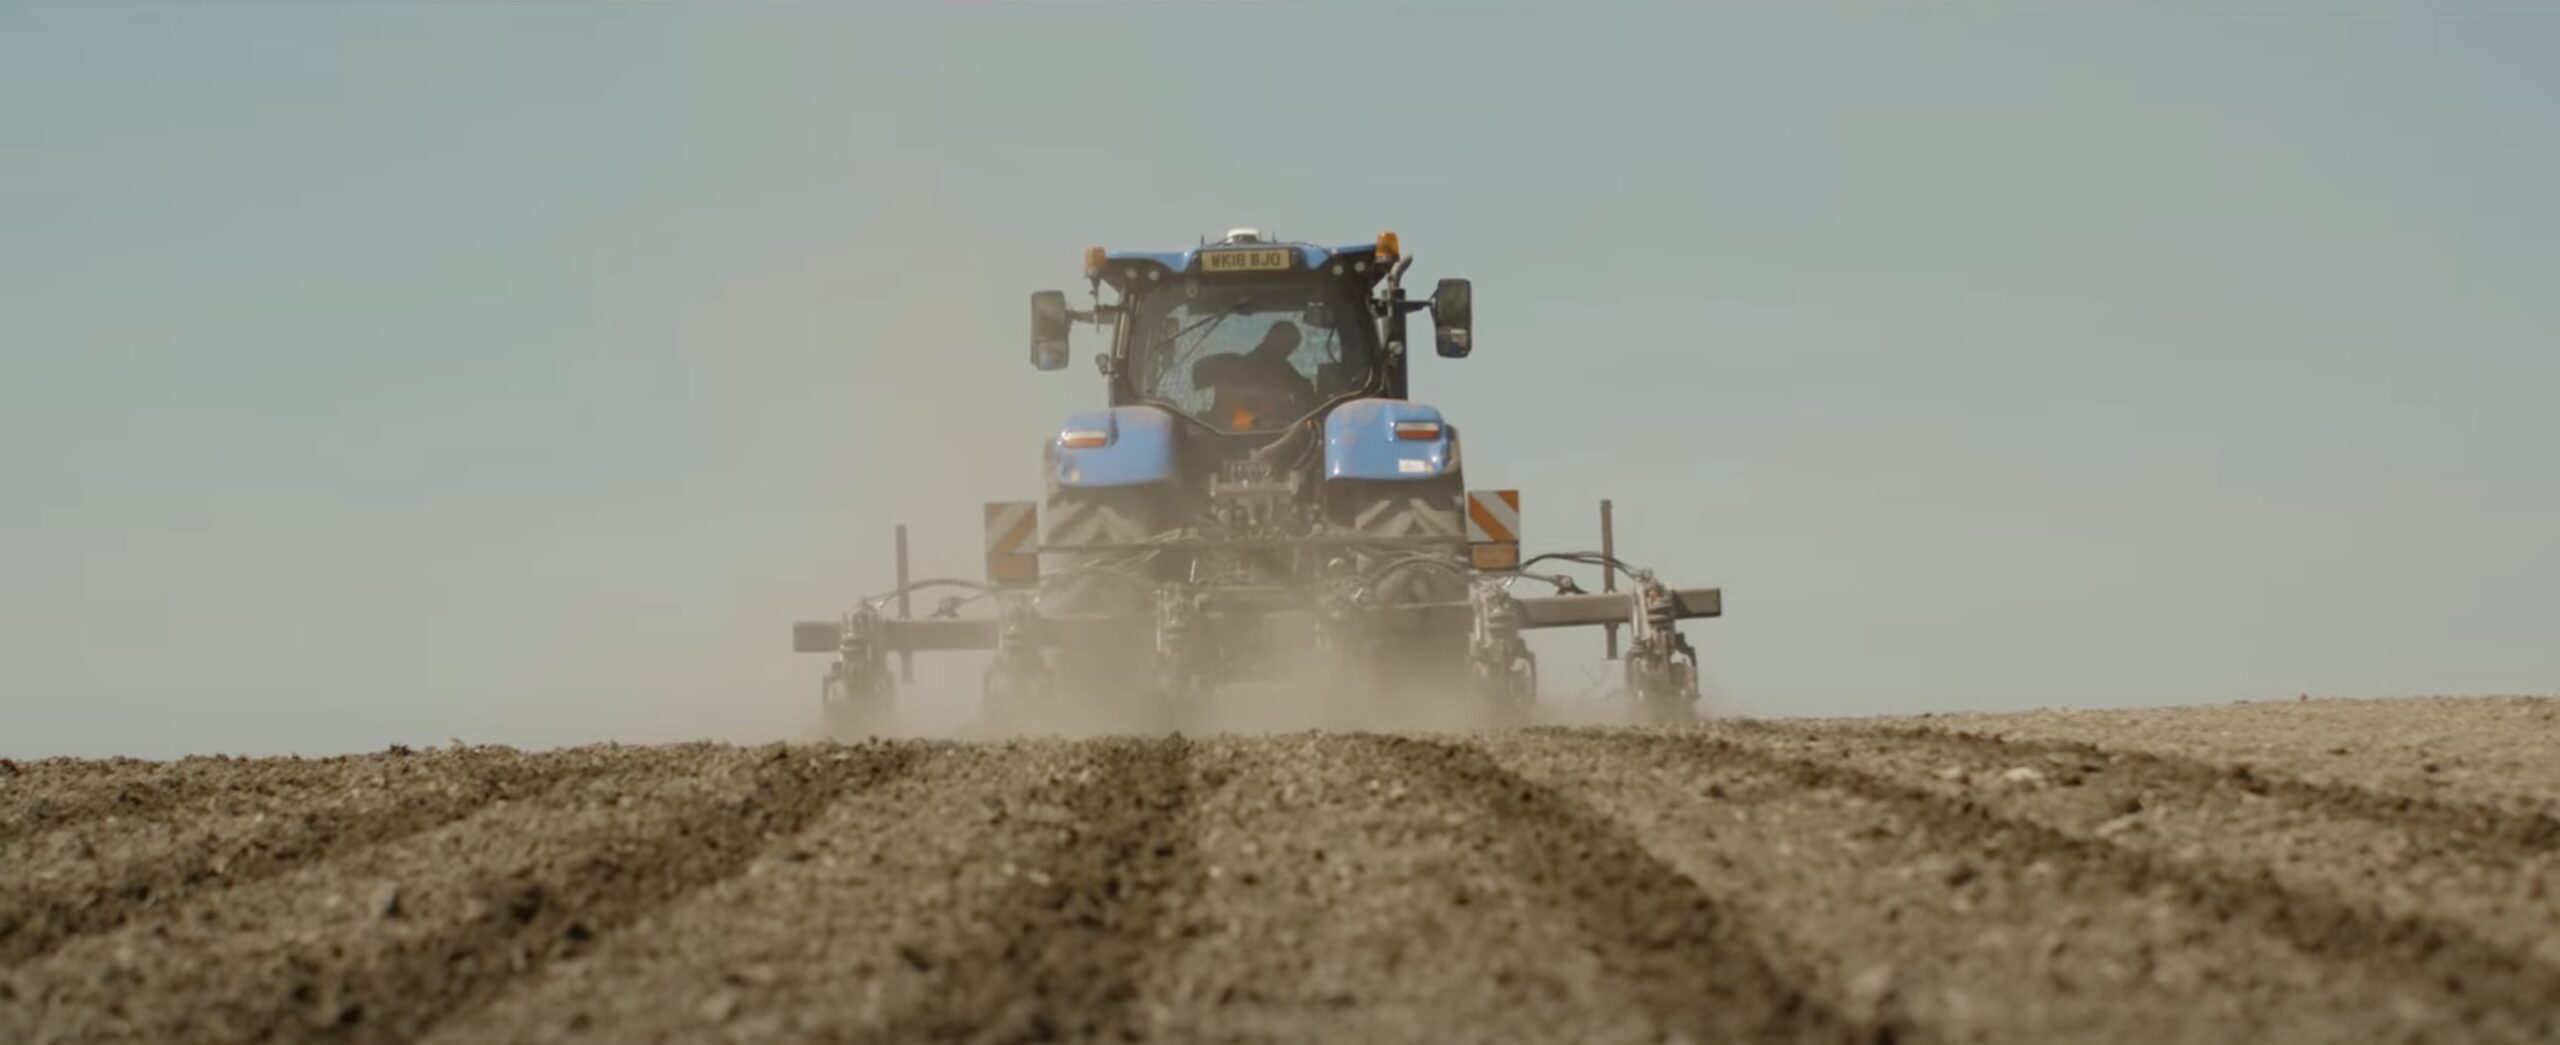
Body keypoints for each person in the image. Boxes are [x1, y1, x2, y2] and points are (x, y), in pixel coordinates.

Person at [1194, 319, 1315, 430]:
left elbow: (1306, 399)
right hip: (1223, 437)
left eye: (1288, 345)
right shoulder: (1231, 365)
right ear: (1268, 338)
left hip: (1275, 437)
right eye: (1281, 341)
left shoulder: (1287, 374)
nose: (1284, 348)